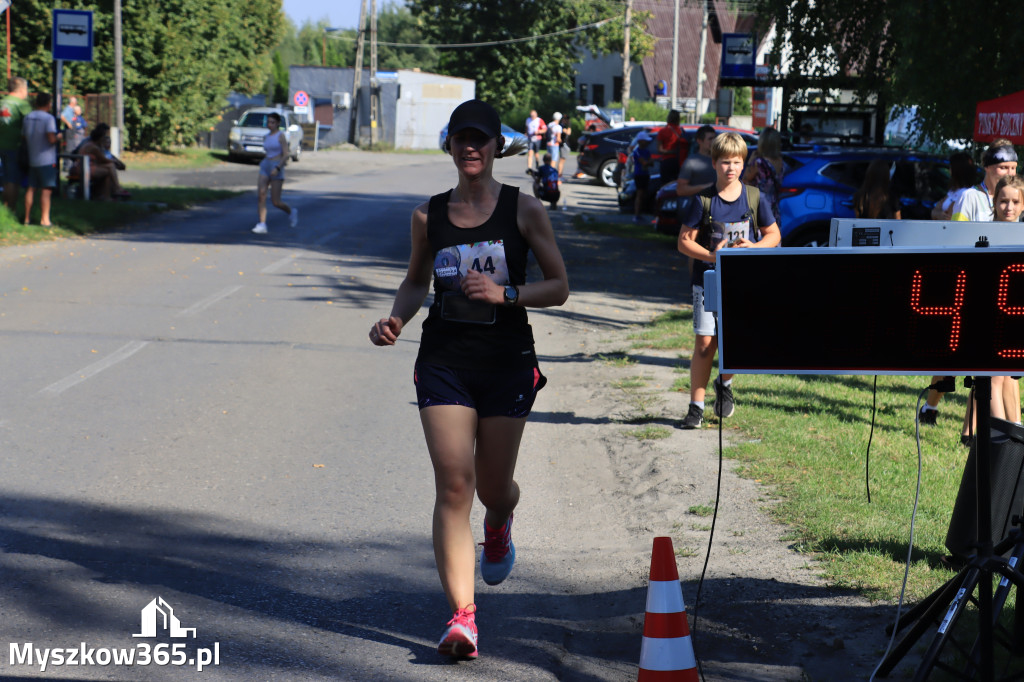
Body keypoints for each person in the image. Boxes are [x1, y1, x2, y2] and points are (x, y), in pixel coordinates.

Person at [369, 98, 568, 660]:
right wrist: (395, 318)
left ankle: (500, 521)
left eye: (480, 138)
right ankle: (462, 617)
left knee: (491, 488)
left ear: (496, 145)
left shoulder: (524, 210)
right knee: (454, 483)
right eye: (462, 138)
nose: (471, 147)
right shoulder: (427, 216)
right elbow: (414, 282)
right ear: (450, 145)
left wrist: (507, 293)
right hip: (444, 360)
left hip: (506, 361)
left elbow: (559, 286)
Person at [677, 133, 781, 428]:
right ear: (714, 163)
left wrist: (754, 247)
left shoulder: (754, 197)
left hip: (741, 282)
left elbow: (773, 235)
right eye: (725, 162)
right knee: (704, 344)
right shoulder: (703, 200)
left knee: (733, 342)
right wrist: (713, 256)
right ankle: (695, 407)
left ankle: (725, 387)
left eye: (737, 162)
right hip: (707, 281)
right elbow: (684, 242)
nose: (731, 168)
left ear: (743, 162)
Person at [252, 112, 297, 234]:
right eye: (268, 122)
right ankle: (262, 224)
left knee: (275, 201)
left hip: (277, 166)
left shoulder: (281, 136)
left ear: (277, 123)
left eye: (272, 122)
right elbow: (267, 152)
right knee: (261, 195)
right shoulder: (266, 136)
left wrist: (277, 167)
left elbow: (286, 154)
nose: (269, 124)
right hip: (265, 165)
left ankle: (291, 212)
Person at [951, 139, 1017, 222]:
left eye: (1013, 168)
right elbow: (956, 232)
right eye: (1003, 167)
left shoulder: (1015, 199)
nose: (1010, 173)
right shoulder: (969, 197)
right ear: (987, 167)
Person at [22, 93, 58, 226]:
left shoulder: (28, 117)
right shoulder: (48, 118)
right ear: (48, 103)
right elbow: (51, 138)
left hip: (32, 157)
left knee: (31, 188)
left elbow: (24, 137)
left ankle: (27, 218)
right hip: (46, 159)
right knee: (46, 189)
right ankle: (45, 219)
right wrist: (59, 137)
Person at [742, 126, 784, 227]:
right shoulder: (780, 162)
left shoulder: (758, 162)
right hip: (774, 207)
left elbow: (744, 179)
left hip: (758, 206)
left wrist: (749, 162)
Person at [0, 77, 32, 210]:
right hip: (16, 145)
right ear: (22, 89)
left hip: (1, 144)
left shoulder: (2, 102)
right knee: (13, 179)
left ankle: (5, 207)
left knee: (5, 178)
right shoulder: (22, 104)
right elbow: (32, 123)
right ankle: (11, 210)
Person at [75, 124, 127, 201]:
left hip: (87, 167)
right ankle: (115, 189)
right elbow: (104, 160)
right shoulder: (93, 147)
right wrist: (115, 161)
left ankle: (106, 196)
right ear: (99, 139)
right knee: (110, 167)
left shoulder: (91, 145)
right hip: (83, 169)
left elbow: (104, 159)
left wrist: (116, 161)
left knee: (109, 169)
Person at [931, 152, 976, 220]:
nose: (949, 170)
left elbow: (948, 216)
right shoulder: (953, 191)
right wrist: (938, 214)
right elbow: (933, 211)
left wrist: (938, 214)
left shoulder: (967, 193)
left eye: (951, 167)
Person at [675, 124, 717, 199]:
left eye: (715, 138)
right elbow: (680, 190)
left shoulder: (721, 159)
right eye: (710, 139)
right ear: (699, 141)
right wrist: (706, 186)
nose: (714, 141)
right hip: (700, 206)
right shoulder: (691, 162)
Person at [655, 110, 684, 182]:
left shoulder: (662, 131)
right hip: (680, 161)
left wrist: (671, 151)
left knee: (666, 185)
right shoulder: (681, 131)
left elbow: (660, 149)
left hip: (666, 161)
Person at [631, 132, 653, 223]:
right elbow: (645, 162)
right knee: (639, 195)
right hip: (639, 174)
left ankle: (640, 214)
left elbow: (651, 162)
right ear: (640, 141)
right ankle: (636, 215)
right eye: (645, 141)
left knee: (643, 195)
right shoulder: (637, 151)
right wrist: (648, 162)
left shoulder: (647, 151)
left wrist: (648, 162)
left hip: (645, 174)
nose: (647, 143)